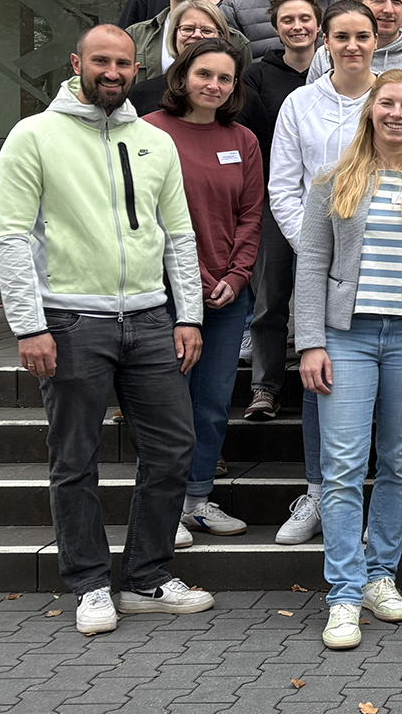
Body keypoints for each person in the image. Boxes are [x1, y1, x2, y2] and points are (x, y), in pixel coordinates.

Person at [0, 26, 214, 637]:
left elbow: (179, 235)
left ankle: (146, 578)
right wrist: (29, 325)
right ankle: (89, 583)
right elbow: (10, 238)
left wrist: (188, 315)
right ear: (76, 63)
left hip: (148, 319)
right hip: (68, 321)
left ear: (135, 67)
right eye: (100, 61)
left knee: (172, 447)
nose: (112, 72)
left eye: (122, 63)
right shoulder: (34, 135)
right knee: (75, 459)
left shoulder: (153, 141)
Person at [296, 69, 402, 651]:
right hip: (346, 338)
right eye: (387, 103)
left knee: (397, 462)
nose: (397, 113)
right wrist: (310, 342)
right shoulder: (333, 182)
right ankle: (343, 594)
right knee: (343, 465)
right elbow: (311, 265)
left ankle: (380, 575)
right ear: (371, 110)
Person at [142, 37, 264, 546]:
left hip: (225, 298)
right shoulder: (148, 131)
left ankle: (197, 498)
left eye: (225, 78)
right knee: (167, 404)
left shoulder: (244, 140)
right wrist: (190, 277)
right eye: (204, 74)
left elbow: (251, 215)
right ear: (182, 75)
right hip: (164, 294)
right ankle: (163, 505)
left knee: (212, 402)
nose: (214, 85)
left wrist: (236, 276)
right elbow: (142, 215)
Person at [269, 1, 381, 545]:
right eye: (342, 36)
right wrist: (318, 249)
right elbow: (283, 188)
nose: (352, 45)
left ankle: (364, 497)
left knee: (384, 385)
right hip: (320, 269)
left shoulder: (394, 99)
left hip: (389, 265)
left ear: (377, 40)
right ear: (325, 41)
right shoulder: (299, 104)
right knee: (320, 382)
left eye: (363, 35)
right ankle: (318, 494)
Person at [239, 0, 322, 420]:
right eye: (288, 20)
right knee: (270, 298)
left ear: (318, 23)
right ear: (276, 27)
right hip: (276, 196)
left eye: (305, 19)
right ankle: (265, 387)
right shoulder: (258, 76)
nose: (297, 27)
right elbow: (246, 137)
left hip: (327, 199)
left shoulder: (331, 76)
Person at [127, 0, 252, 111]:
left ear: (223, 37)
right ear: (174, 35)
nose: (197, 35)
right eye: (188, 29)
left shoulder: (246, 101)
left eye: (206, 31)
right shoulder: (143, 93)